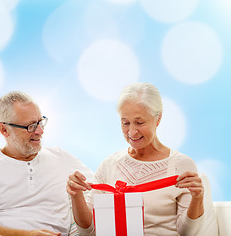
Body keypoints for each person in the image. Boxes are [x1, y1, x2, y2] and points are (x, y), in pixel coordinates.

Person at [67, 82, 212, 235]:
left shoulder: (181, 165)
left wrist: (197, 199)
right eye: (125, 123)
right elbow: (88, 231)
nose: (132, 132)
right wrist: (76, 196)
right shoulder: (109, 165)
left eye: (139, 122)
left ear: (158, 118)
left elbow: (187, 232)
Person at [0, 91, 93, 236]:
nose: (40, 131)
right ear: (4, 129)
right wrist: (27, 235)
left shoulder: (60, 157)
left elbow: (103, 189)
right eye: (31, 126)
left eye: (40, 122)